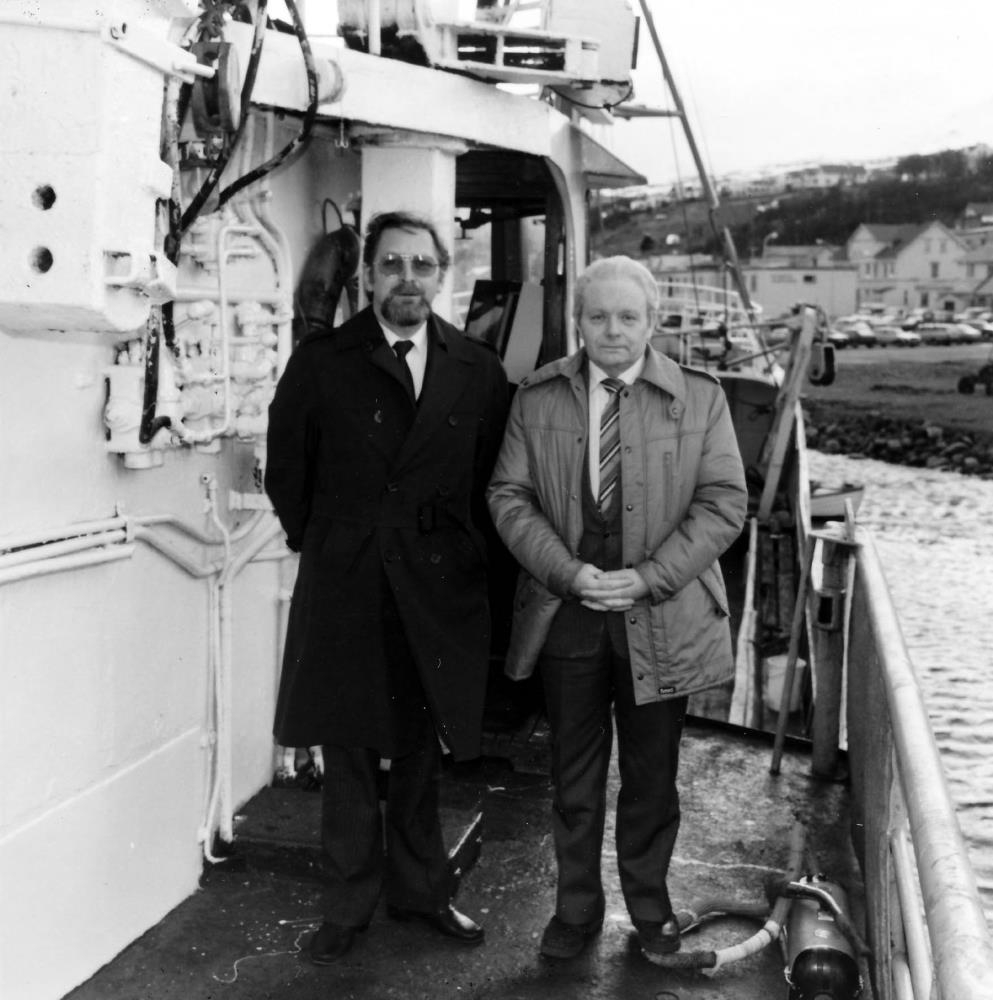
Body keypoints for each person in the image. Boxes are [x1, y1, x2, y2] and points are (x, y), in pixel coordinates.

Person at [486, 255, 747, 962]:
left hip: (662, 617)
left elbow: (724, 502)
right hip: (567, 614)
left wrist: (648, 579)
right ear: (578, 321)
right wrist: (567, 571)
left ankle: (651, 914)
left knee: (652, 778)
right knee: (572, 777)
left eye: (627, 316)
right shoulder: (537, 397)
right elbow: (508, 496)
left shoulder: (700, 399)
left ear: (652, 321)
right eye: (597, 315)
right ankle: (575, 913)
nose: (612, 329)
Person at [265, 210, 509, 965]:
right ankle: (346, 906)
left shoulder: (477, 369)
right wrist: (333, 543)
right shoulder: (322, 362)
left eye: (422, 265)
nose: (408, 278)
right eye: (393, 264)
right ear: (368, 275)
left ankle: (420, 892)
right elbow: (287, 471)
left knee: (420, 743)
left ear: (443, 275)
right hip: (350, 575)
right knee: (346, 745)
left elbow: (488, 481)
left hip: (435, 580)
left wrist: (454, 554)